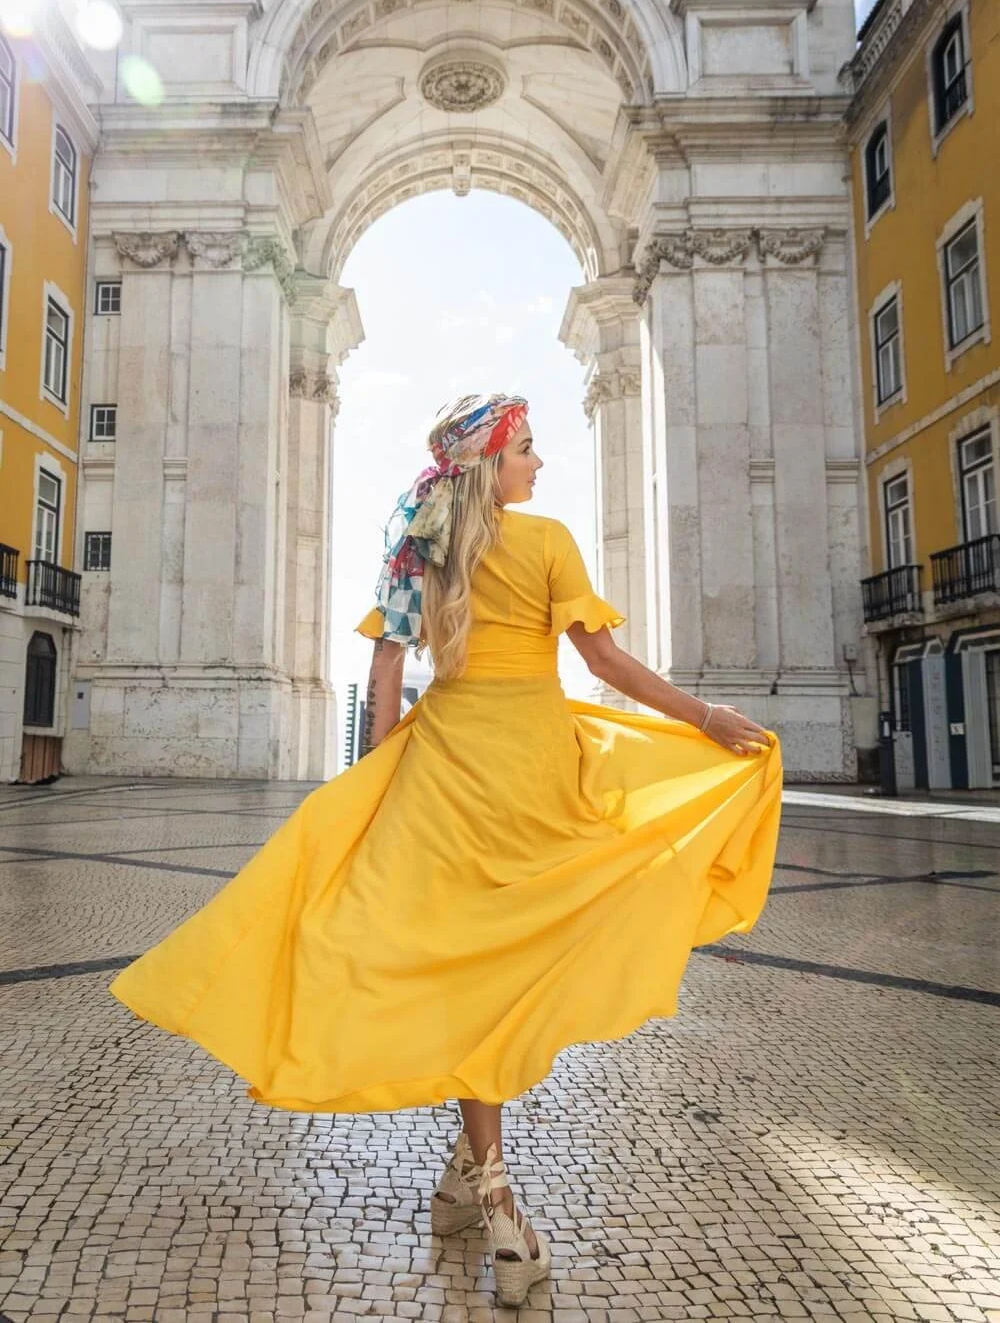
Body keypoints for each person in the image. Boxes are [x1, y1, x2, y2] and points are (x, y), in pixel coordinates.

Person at [110, 391, 782, 1310]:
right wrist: (706, 718)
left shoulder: (414, 547)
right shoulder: (546, 541)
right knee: (511, 972)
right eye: (528, 452)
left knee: (465, 969)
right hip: (539, 770)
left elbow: (386, 671)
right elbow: (608, 667)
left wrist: (377, 775)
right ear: (492, 463)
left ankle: (480, 1179)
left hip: (447, 770)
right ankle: (493, 1194)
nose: (539, 467)